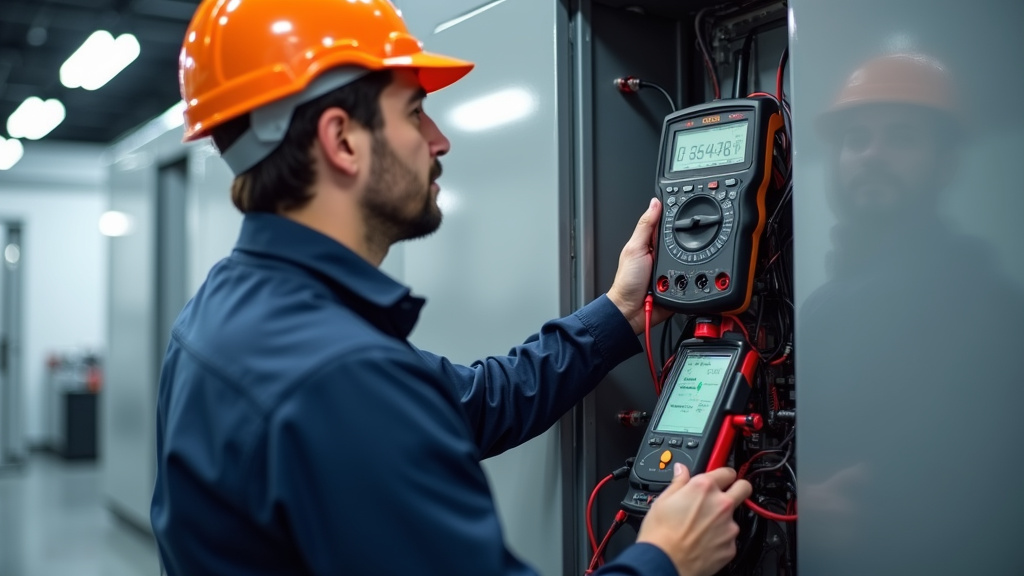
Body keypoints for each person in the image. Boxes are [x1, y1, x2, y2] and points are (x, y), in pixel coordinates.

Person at [150, 1, 752, 575]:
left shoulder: (226, 313)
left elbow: (477, 403)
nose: (439, 139)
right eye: (414, 112)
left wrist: (619, 313)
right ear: (342, 141)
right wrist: (666, 559)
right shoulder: (338, 375)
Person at [801, 53, 1024, 575]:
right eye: (856, 139)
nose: (872, 155)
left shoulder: (989, 306)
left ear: (946, 163)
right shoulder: (821, 305)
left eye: (901, 137)